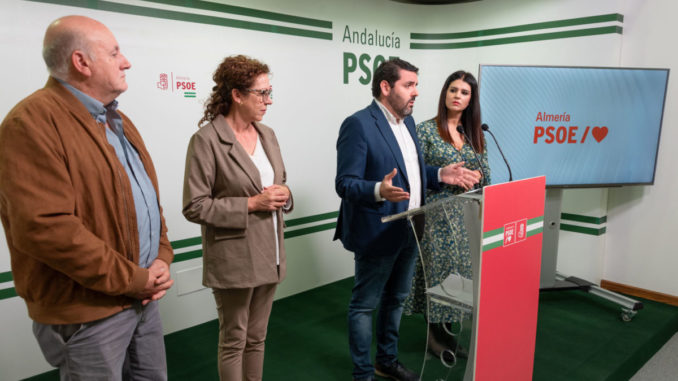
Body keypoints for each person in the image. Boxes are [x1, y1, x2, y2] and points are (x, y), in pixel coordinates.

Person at [0, 15, 174, 380]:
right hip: (89, 314)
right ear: (82, 63)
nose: (126, 61)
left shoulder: (117, 121)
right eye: (114, 53)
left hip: (141, 300)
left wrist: (161, 256)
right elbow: (46, 229)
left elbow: (146, 201)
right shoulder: (30, 123)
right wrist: (133, 279)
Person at [334, 59, 481, 381]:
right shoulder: (358, 124)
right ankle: (362, 374)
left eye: (416, 85)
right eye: (409, 85)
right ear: (386, 87)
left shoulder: (409, 123)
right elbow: (344, 183)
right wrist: (378, 189)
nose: (416, 92)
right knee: (364, 305)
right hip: (378, 230)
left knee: (397, 299)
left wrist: (442, 174)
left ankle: (386, 361)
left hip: (413, 228)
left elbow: (414, 174)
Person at [182, 55, 292, 381]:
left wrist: (284, 195)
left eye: (270, 92)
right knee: (234, 339)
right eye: (262, 93)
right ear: (237, 95)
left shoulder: (267, 134)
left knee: (257, 338)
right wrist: (252, 203)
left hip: (270, 254)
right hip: (234, 258)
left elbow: (278, 182)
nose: (268, 100)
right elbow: (195, 206)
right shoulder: (205, 141)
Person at [403, 70, 490, 361]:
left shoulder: (474, 135)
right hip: (435, 217)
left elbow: (486, 175)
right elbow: (414, 176)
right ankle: (436, 340)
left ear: (470, 100)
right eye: (453, 90)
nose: (457, 96)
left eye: (464, 92)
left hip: (466, 219)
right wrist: (448, 178)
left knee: (458, 279)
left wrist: (474, 176)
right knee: (437, 277)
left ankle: (449, 336)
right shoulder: (425, 130)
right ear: (445, 94)